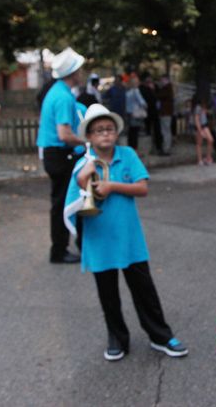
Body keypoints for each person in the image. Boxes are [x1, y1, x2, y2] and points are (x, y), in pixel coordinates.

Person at [63, 104, 188, 361]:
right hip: (99, 238)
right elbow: (74, 198)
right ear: (89, 137)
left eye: (109, 129)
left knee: (144, 289)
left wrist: (111, 186)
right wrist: (83, 177)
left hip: (129, 236)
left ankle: (161, 336)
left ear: (116, 132)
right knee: (107, 294)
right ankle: (117, 338)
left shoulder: (128, 154)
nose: (105, 135)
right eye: (98, 131)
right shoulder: (83, 163)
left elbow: (142, 188)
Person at [37, 47, 86, 264]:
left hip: (54, 154)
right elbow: (64, 134)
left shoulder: (56, 91)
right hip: (60, 155)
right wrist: (86, 141)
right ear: (73, 72)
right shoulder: (63, 97)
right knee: (64, 202)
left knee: (63, 201)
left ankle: (66, 246)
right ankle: (59, 250)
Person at [140, 74, 162, 153]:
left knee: (157, 130)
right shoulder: (142, 88)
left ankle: (159, 147)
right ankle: (150, 148)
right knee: (148, 130)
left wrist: (153, 90)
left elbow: (159, 97)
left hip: (155, 112)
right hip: (147, 112)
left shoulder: (155, 87)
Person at [124, 77, 147, 150]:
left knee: (130, 132)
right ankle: (135, 149)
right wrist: (145, 106)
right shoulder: (136, 91)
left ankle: (130, 148)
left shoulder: (128, 91)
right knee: (135, 132)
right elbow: (142, 102)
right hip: (135, 114)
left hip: (128, 113)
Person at [191, 95, 214, 165]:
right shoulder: (198, 107)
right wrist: (200, 130)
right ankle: (200, 159)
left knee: (210, 140)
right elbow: (196, 119)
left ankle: (207, 157)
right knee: (199, 143)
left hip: (204, 125)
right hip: (201, 126)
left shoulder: (201, 107)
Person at [156, 75, 174, 156]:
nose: (161, 81)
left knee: (166, 131)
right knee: (165, 131)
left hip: (165, 113)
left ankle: (166, 149)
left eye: (162, 80)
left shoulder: (167, 88)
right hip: (165, 112)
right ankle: (166, 148)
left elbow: (159, 95)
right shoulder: (168, 88)